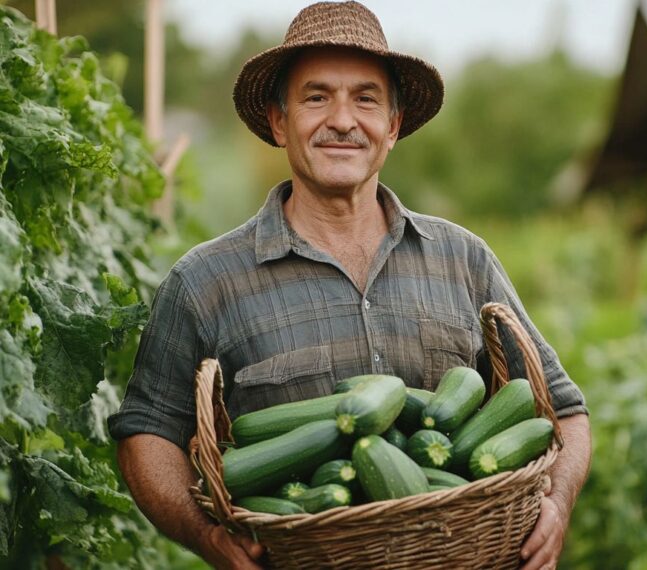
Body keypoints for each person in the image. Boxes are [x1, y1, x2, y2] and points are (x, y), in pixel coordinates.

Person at [109, 2, 591, 569]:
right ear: (278, 121)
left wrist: (556, 503)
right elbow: (147, 433)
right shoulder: (205, 281)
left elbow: (564, 410)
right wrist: (204, 535)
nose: (342, 120)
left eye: (365, 98)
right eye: (317, 97)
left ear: (392, 126)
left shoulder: (464, 259)